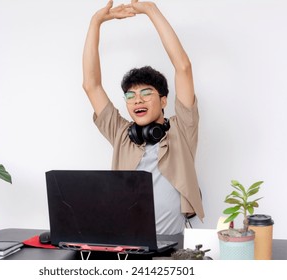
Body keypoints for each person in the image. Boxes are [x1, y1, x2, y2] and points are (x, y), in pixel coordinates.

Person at [82, 0, 204, 235]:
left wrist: (151, 11)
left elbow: (183, 68)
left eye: (146, 94)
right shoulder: (121, 133)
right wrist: (95, 22)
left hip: (171, 249)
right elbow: (91, 85)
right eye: (130, 96)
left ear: (164, 100)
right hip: (125, 244)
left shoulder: (183, 131)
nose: (137, 100)